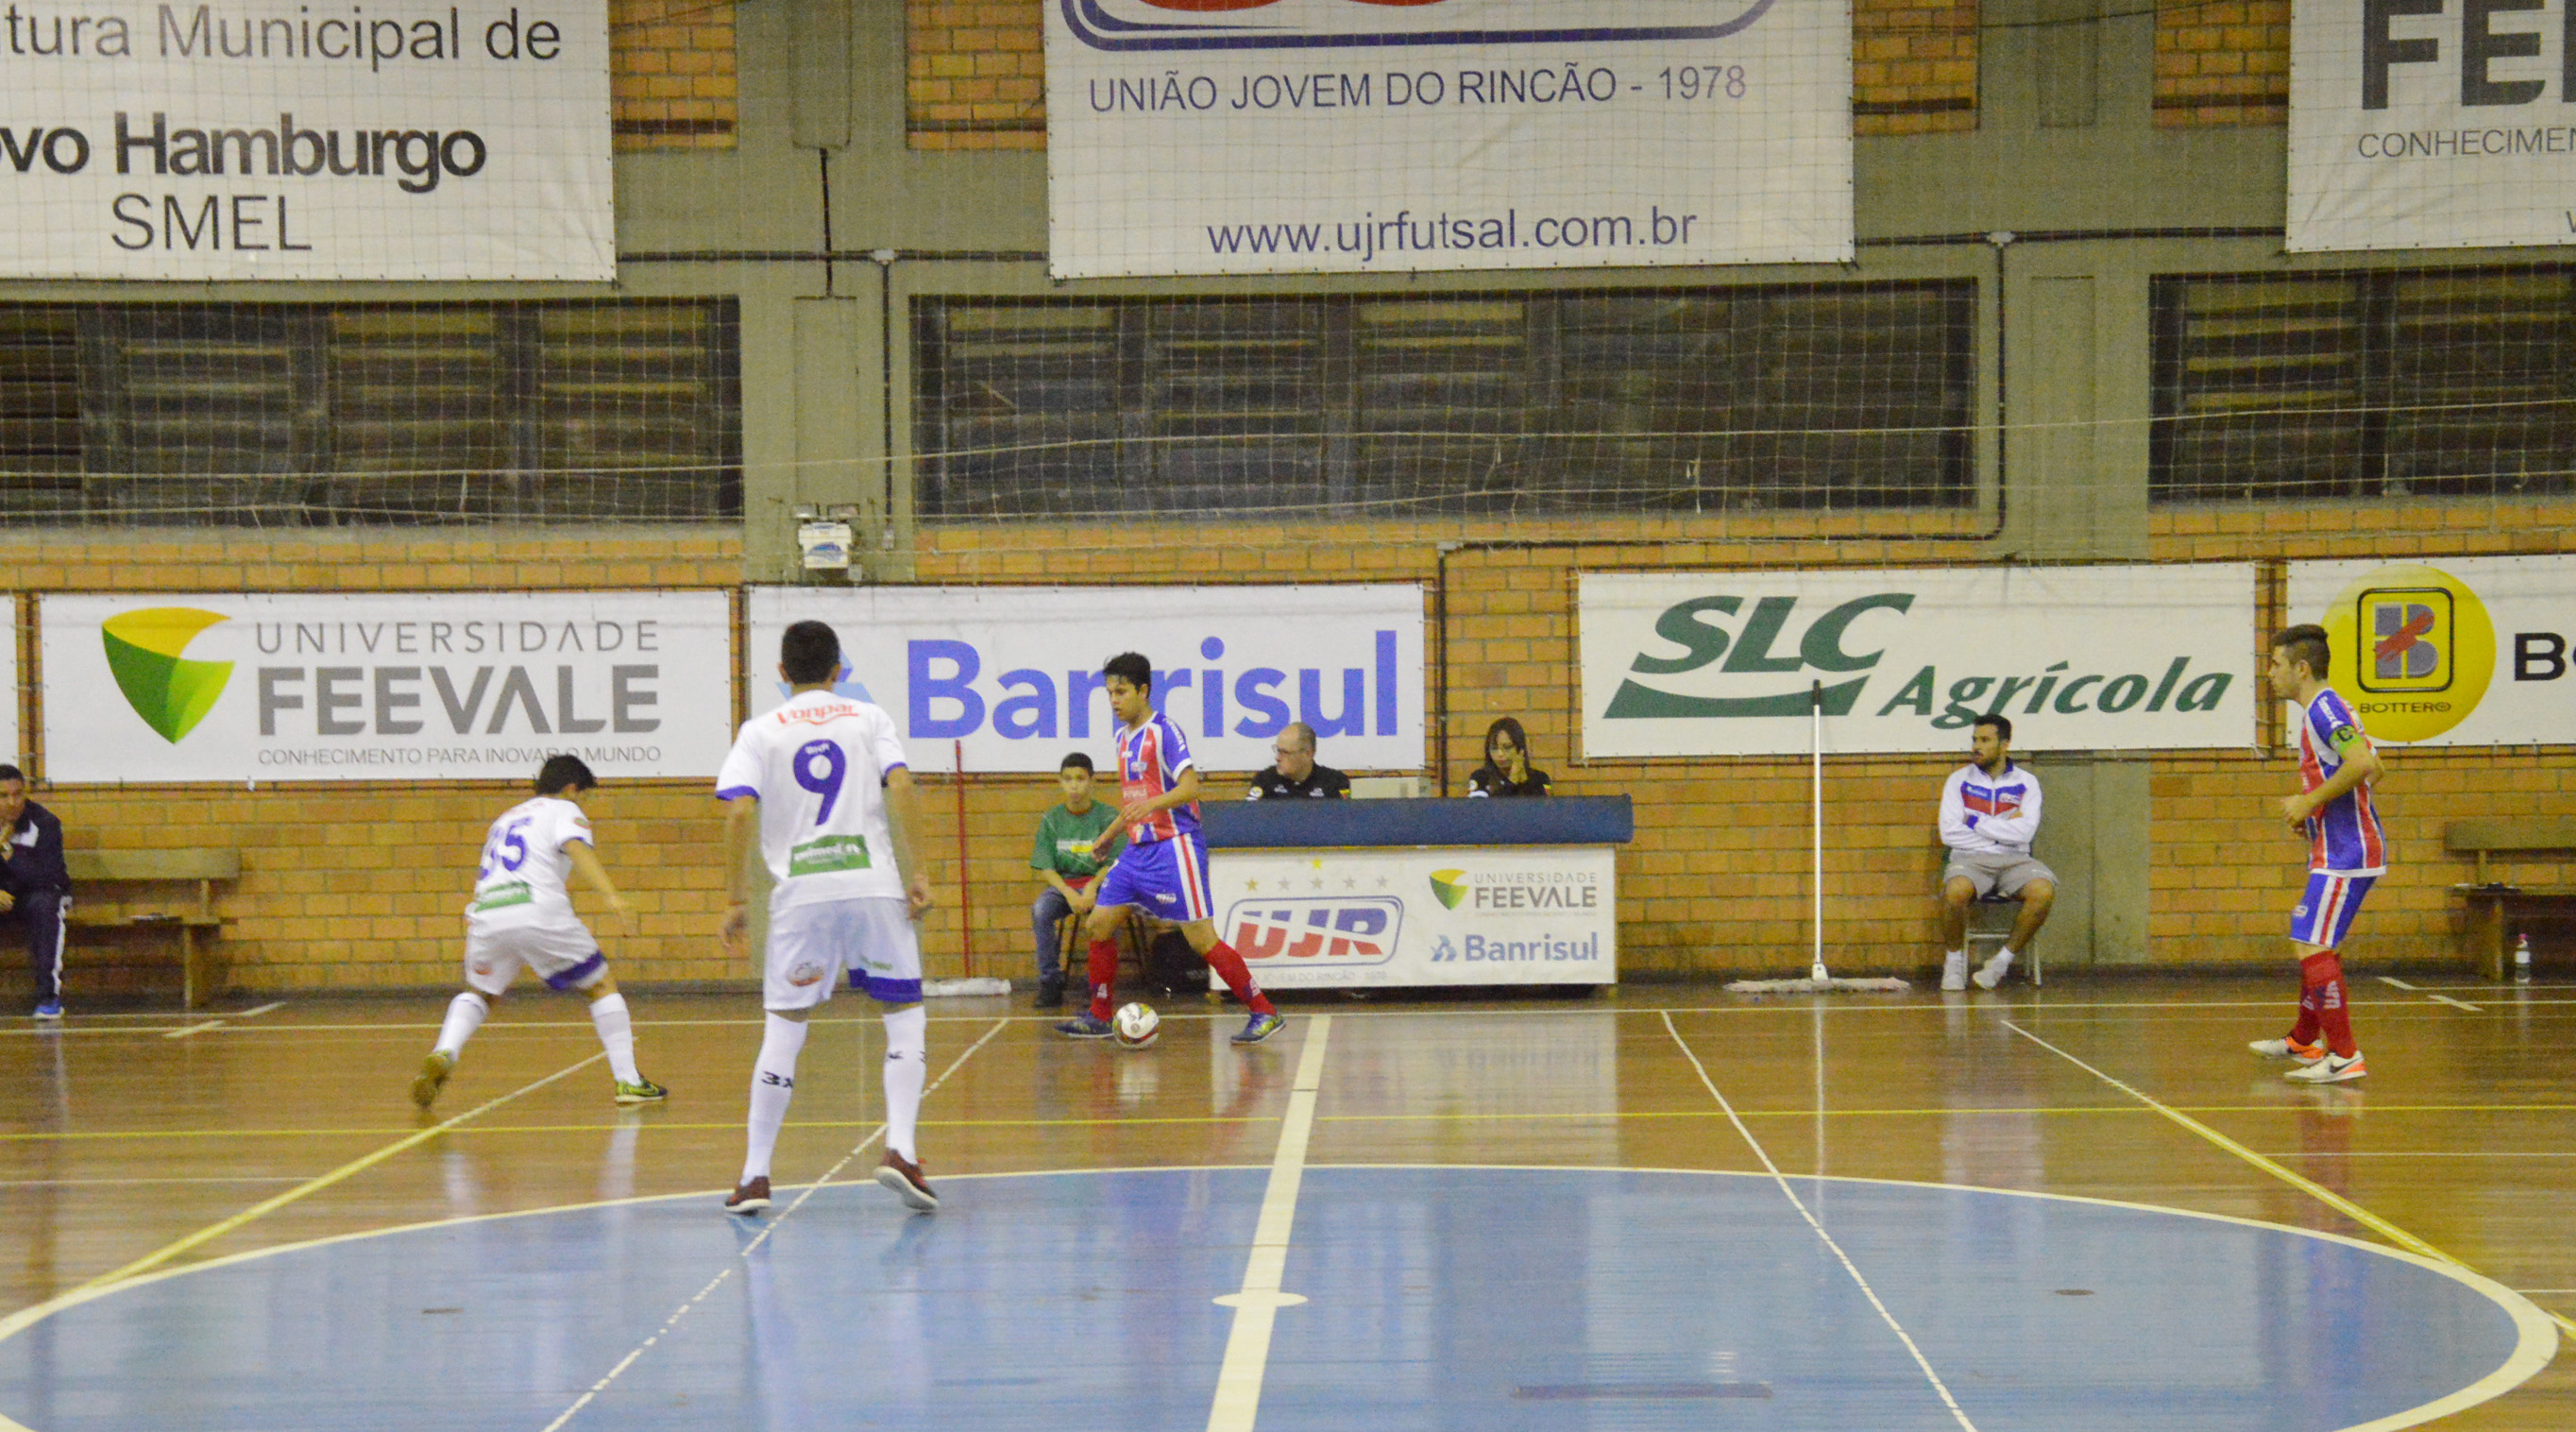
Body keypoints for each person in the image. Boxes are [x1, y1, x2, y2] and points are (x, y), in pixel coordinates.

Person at [719, 620, 941, 1215]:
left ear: (782, 674)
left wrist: (735, 898)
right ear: (838, 671)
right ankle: (900, 1148)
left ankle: (755, 1177)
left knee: (784, 1031)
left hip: (801, 897)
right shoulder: (869, 718)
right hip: (871, 884)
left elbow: (739, 813)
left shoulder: (759, 731)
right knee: (904, 1017)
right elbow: (901, 783)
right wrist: (918, 870)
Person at [1056, 652, 1285, 1046]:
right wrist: (1111, 834)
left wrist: (1153, 805)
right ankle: (1098, 1014)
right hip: (1137, 850)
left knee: (1200, 939)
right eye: (1109, 692)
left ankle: (1263, 1010)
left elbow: (1191, 787)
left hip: (1174, 847)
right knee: (1099, 924)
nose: (1114, 700)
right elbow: (1135, 800)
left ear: (1143, 691)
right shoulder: (1121, 737)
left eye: (1122, 691)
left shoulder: (1164, 732)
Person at [412, 756, 667, 1109]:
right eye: (585, 796)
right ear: (571, 788)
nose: (584, 804)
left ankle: (444, 1051)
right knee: (600, 984)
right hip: (536, 909)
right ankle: (629, 1081)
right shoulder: (563, 810)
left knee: (482, 992)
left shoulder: (505, 818)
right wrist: (613, 898)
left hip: (488, 912)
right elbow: (576, 848)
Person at [2248, 623, 2385, 1084]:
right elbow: (2375, 767)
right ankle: (2305, 1040)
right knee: (2312, 938)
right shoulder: (2325, 709)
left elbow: (2364, 765)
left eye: (2276, 664)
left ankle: (2345, 1055)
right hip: (2339, 844)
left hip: (2347, 851)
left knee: (2311, 940)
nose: (2269, 673)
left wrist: (2309, 802)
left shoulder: (2324, 709)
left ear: (2301, 669)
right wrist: (2317, 814)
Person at [1937, 715, 2057, 991]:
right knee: (1955, 892)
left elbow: (2025, 833)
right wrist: (2003, 829)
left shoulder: (2027, 782)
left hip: (2016, 859)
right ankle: (1954, 963)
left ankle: (2000, 963)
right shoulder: (1958, 781)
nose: (1977, 746)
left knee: (2043, 891)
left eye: (1985, 740)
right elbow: (1949, 833)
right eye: (1975, 739)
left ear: (2004, 745)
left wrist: (1975, 821)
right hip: (1969, 859)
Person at [1030, 752, 1118, 1010]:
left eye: (1080, 779)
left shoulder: (1108, 817)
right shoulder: (1052, 819)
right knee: (1040, 910)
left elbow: (1116, 862)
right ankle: (1050, 982)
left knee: (1111, 911)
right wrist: (1068, 893)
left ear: (1092, 782)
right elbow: (1046, 866)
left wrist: (1092, 886)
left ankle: (1099, 985)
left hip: (1102, 885)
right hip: (1065, 886)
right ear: (1061, 782)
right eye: (1068, 779)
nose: (1074, 785)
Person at [0, 766, 70, 1021]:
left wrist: (10, 853)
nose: (11, 802)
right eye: (3, 795)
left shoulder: (45, 823)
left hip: (35, 894)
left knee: (45, 906)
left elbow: (48, 876)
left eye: (17, 794)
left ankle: (48, 998)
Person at [1246, 722, 1350, 800]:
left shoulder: (1334, 783)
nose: (1277, 758)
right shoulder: (1264, 781)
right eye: (1278, 750)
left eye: (1284, 752)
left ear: (1308, 754)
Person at [1467, 716, 1551, 797]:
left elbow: (1540, 809)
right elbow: (1479, 809)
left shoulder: (1540, 778)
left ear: (1519, 749)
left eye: (1507, 747)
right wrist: (1512, 780)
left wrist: (1524, 782)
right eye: (1494, 748)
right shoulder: (1480, 778)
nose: (1500, 754)